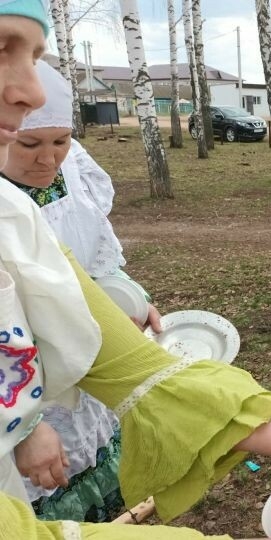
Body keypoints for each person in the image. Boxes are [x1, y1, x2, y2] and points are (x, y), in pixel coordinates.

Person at [0, 3, 271, 539]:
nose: (34, 92)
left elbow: (137, 370)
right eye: (3, 50)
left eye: (36, 57)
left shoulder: (12, 216)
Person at [2, 59, 161, 522]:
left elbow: (96, 256)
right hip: (23, 395)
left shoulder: (75, 175)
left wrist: (127, 296)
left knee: (94, 477)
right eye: (29, 143)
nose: (48, 159)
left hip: (86, 374)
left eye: (61, 141)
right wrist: (24, 426)